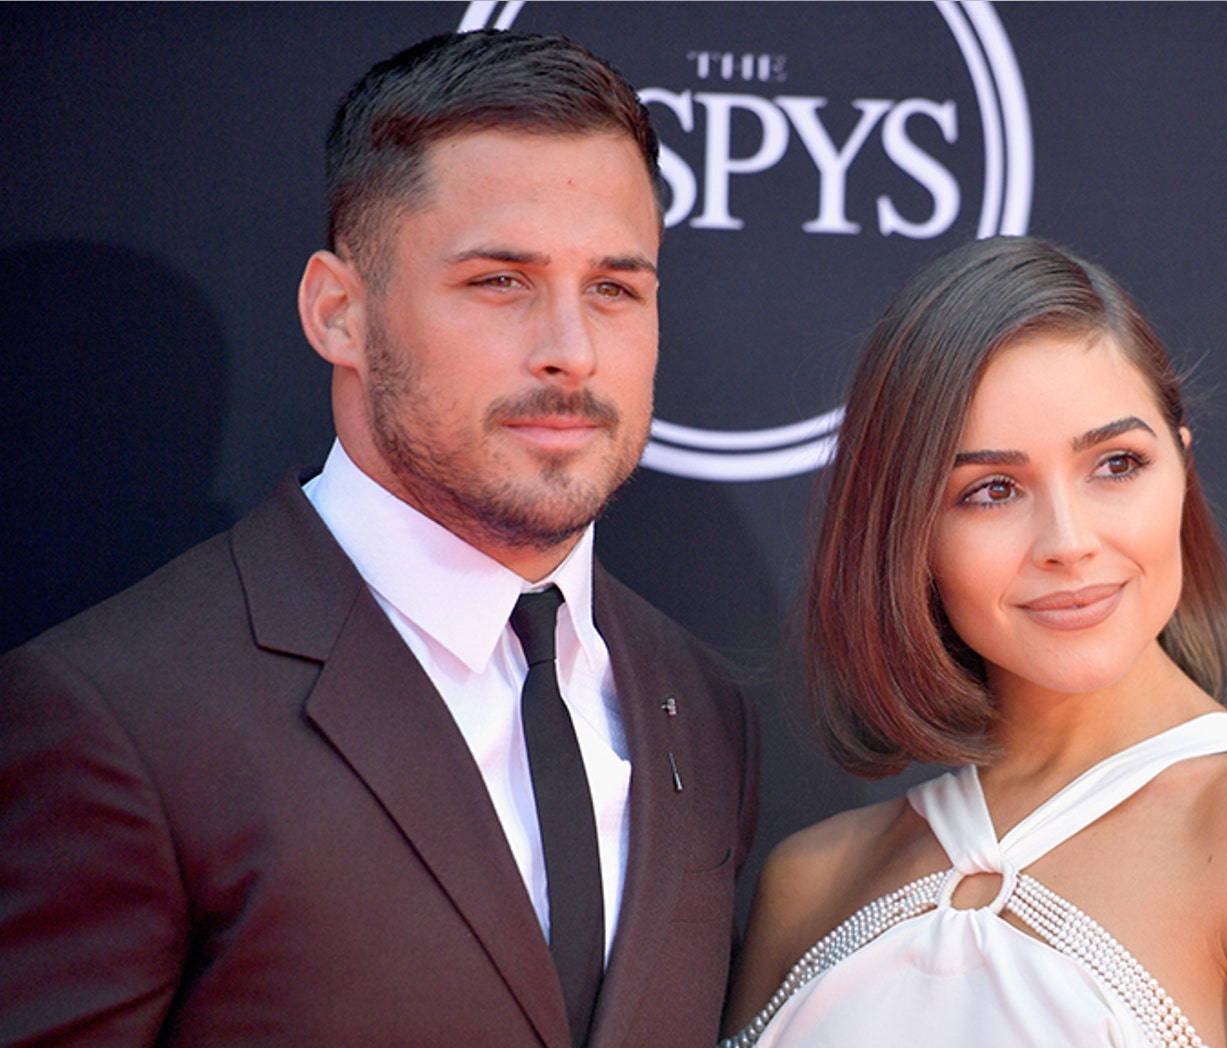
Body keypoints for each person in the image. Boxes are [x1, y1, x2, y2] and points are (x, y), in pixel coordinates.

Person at [0, 30, 756, 1048]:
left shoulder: (700, 705)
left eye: (614, 288)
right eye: (500, 281)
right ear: (338, 312)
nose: (571, 350)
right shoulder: (118, 715)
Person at [722, 237, 1227, 1047]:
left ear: (1182, 472)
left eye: (1117, 465)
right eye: (993, 490)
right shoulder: (808, 882)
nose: (1068, 541)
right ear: (908, 533)